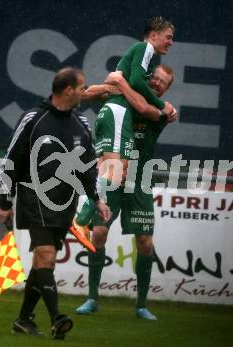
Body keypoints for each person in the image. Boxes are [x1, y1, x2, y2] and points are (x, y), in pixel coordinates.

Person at [0, 67, 111, 339]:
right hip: (33, 197)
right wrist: (4, 201)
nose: (86, 92)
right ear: (68, 90)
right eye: (82, 87)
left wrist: (97, 200)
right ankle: (57, 318)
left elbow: (87, 169)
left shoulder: (81, 123)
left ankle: (23, 320)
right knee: (46, 256)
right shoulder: (34, 118)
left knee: (43, 263)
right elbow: (10, 160)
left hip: (65, 202)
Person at [75, 65, 177, 320]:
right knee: (98, 234)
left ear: (167, 88)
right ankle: (92, 298)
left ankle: (141, 304)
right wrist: (112, 84)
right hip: (112, 177)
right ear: (147, 78)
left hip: (139, 180)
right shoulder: (122, 98)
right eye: (154, 78)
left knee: (144, 241)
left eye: (163, 82)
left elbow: (146, 108)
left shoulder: (161, 109)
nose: (157, 83)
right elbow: (91, 92)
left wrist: (119, 83)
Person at [71, 16, 176, 233]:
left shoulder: (137, 63)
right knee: (117, 171)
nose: (171, 42)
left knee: (109, 170)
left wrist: (115, 84)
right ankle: (80, 221)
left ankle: (84, 219)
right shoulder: (145, 49)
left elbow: (116, 84)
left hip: (110, 114)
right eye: (168, 37)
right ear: (153, 35)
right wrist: (160, 103)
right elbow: (137, 82)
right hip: (117, 115)